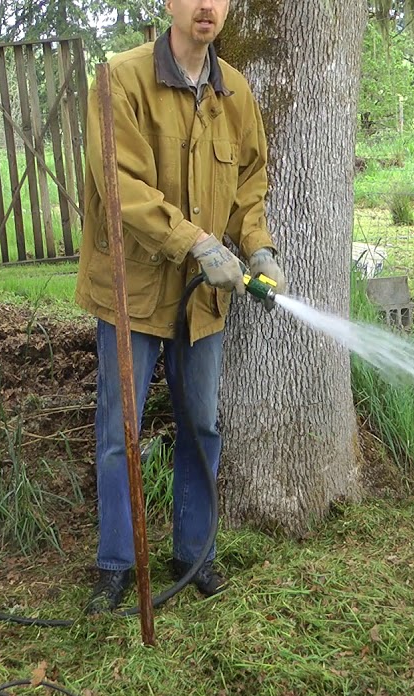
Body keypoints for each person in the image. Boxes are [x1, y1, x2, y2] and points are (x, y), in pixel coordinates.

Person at [74, 0, 286, 614]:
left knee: (202, 426)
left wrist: (259, 248)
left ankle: (193, 553)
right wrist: (195, 241)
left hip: (205, 301)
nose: (206, 7)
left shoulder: (235, 91)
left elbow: (251, 184)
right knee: (122, 431)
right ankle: (116, 562)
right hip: (131, 291)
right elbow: (123, 187)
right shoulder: (121, 79)